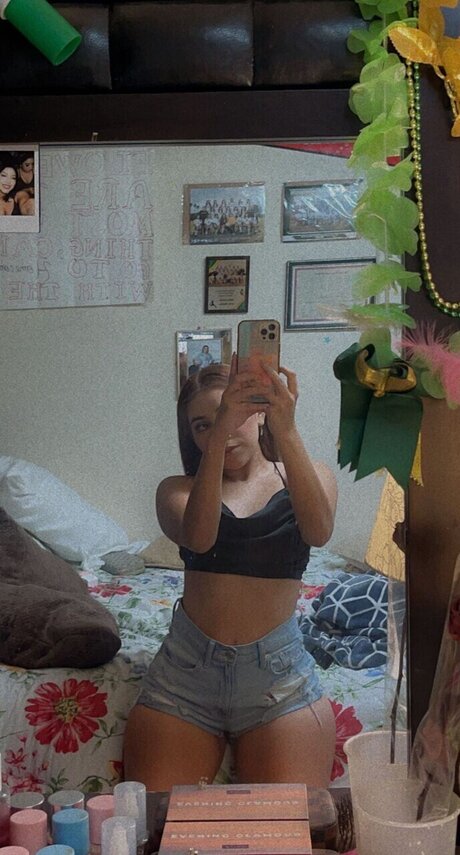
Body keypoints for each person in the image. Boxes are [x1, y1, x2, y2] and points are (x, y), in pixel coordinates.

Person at [124, 357, 337, 790]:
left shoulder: (308, 475)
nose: (221, 428)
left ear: (258, 411)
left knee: (286, 825)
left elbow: (319, 532)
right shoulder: (176, 490)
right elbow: (200, 539)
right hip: (185, 676)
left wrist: (286, 429)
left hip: (279, 680)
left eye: (233, 412)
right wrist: (220, 433)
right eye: (202, 425)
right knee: (159, 821)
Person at [14, 152, 35, 216]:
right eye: (27, 165)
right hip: (19, 201)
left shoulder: (35, 171)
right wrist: (27, 190)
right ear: (20, 164)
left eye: (33, 164)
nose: (31, 167)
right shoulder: (16, 173)